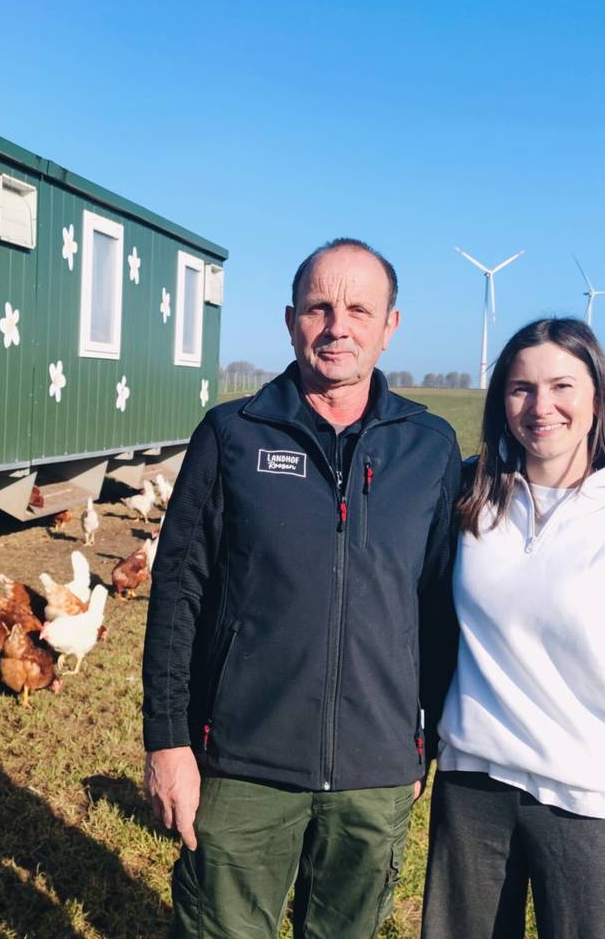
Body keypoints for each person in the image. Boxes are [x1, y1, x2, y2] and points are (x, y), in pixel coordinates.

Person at [142, 237, 462, 938]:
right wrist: (168, 743)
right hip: (240, 763)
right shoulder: (232, 434)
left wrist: (422, 745)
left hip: (375, 774)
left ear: (390, 326)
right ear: (291, 321)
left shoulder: (429, 447)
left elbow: (438, 607)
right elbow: (177, 597)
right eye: (319, 307)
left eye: (358, 308)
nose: (337, 326)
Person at [421, 318, 605, 939]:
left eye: (562, 386)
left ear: (596, 397)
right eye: (521, 388)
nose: (541, 406)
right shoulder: (473, 496)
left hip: (588, 802)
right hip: (473, 783)